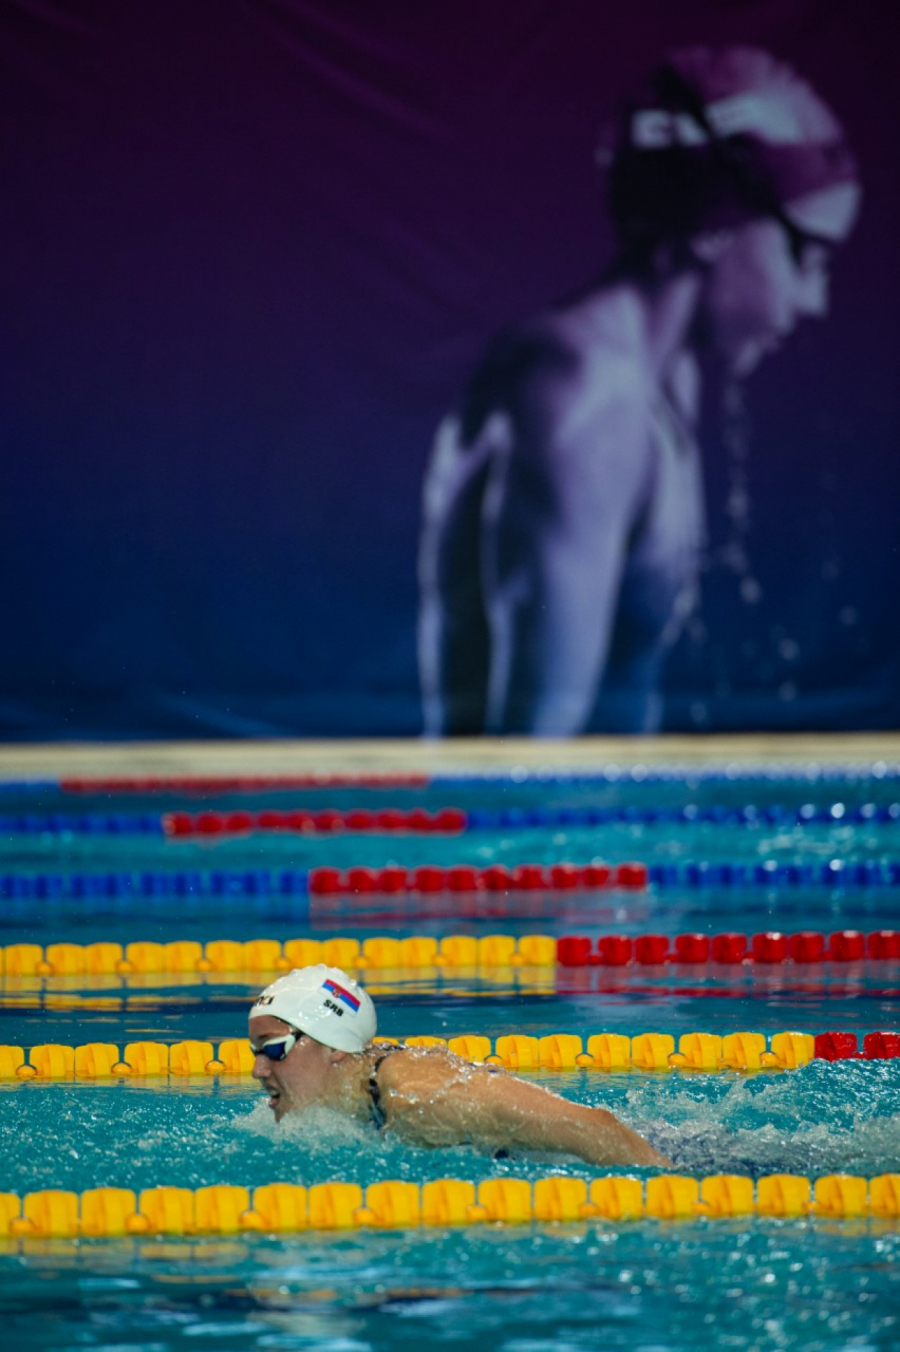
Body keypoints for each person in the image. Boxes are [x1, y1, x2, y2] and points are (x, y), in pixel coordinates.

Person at [418, 45, 861, 735]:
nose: (813, 301)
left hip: (593, 840)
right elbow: (521, 776)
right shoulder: (583, 402)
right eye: (805, 255)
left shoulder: (662, 380)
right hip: (534, 841)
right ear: (717, 226)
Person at [248, 963, 668, 1167]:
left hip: (673, 1156)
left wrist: (674, 1194)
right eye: (255, 1052)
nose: (258, 1070)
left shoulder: (418, 1096)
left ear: (334, 1046)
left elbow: (595, 1127)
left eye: (272, 1049)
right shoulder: (358, 1097)